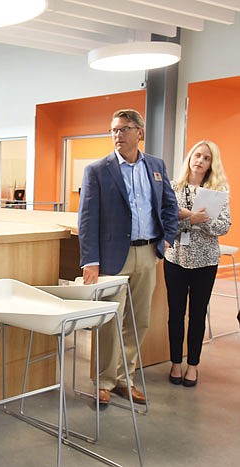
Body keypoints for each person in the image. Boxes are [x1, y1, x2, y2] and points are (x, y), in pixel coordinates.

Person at [78, 109, 178, 406]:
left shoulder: (156, 167)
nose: (118, 135)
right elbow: (87, 218)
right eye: (114, 130)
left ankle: (125, 378)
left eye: (124, 129)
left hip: (148, 253)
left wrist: (166, 241)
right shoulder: (98, 170)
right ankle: (105, 381)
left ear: (140, 133)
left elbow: (169, 207)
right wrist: (90, 260)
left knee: (139, 321)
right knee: (110, 320)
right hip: (112, 258)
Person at [164, 140, 231, 387]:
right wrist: (193, 218)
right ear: (190, 157)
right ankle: (175, 363)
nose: (200, 161)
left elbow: (223, 226)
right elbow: (167, 223)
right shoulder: (173, 187)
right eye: (197, 155)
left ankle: (193, 365)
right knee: (175, 314)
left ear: (212, 164)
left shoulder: (219, 191)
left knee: (197, 314)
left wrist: (198, 220)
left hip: (205, 261)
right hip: (176, 259)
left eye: (206, 158)